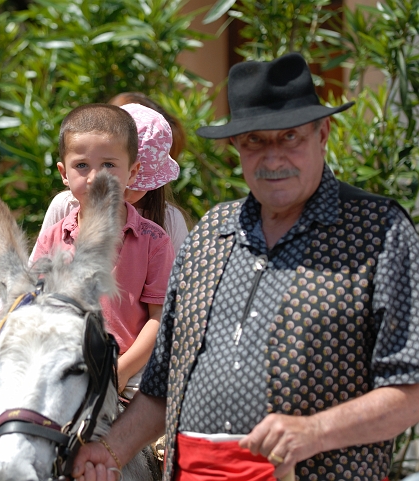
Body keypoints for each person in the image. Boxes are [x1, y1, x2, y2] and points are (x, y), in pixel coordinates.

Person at [71, 52, 419, 481]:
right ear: (236, 145)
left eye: (289, 137)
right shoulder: (212, 234)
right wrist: (109, 451)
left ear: (322, 134)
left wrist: (315, 431)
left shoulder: (379, 231)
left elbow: (411, 389)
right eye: (255, 141)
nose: (273, 158)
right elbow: (162, 386)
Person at [0, 103, 176, 420]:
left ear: (132, 172)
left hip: (121, 369)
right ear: (64, 174)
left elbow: (159, 320)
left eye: (109, 165)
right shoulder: (55, 235)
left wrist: (119, 372)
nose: (95, 178)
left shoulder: (154, 240)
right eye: (82, 166)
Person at [40, 93, 191, 255]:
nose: (123, 189)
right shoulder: (65, 206)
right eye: (82, 165)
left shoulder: (170, 220)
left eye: (137, 185)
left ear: (133, 172)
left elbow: (179, 271)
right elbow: (38, 265)